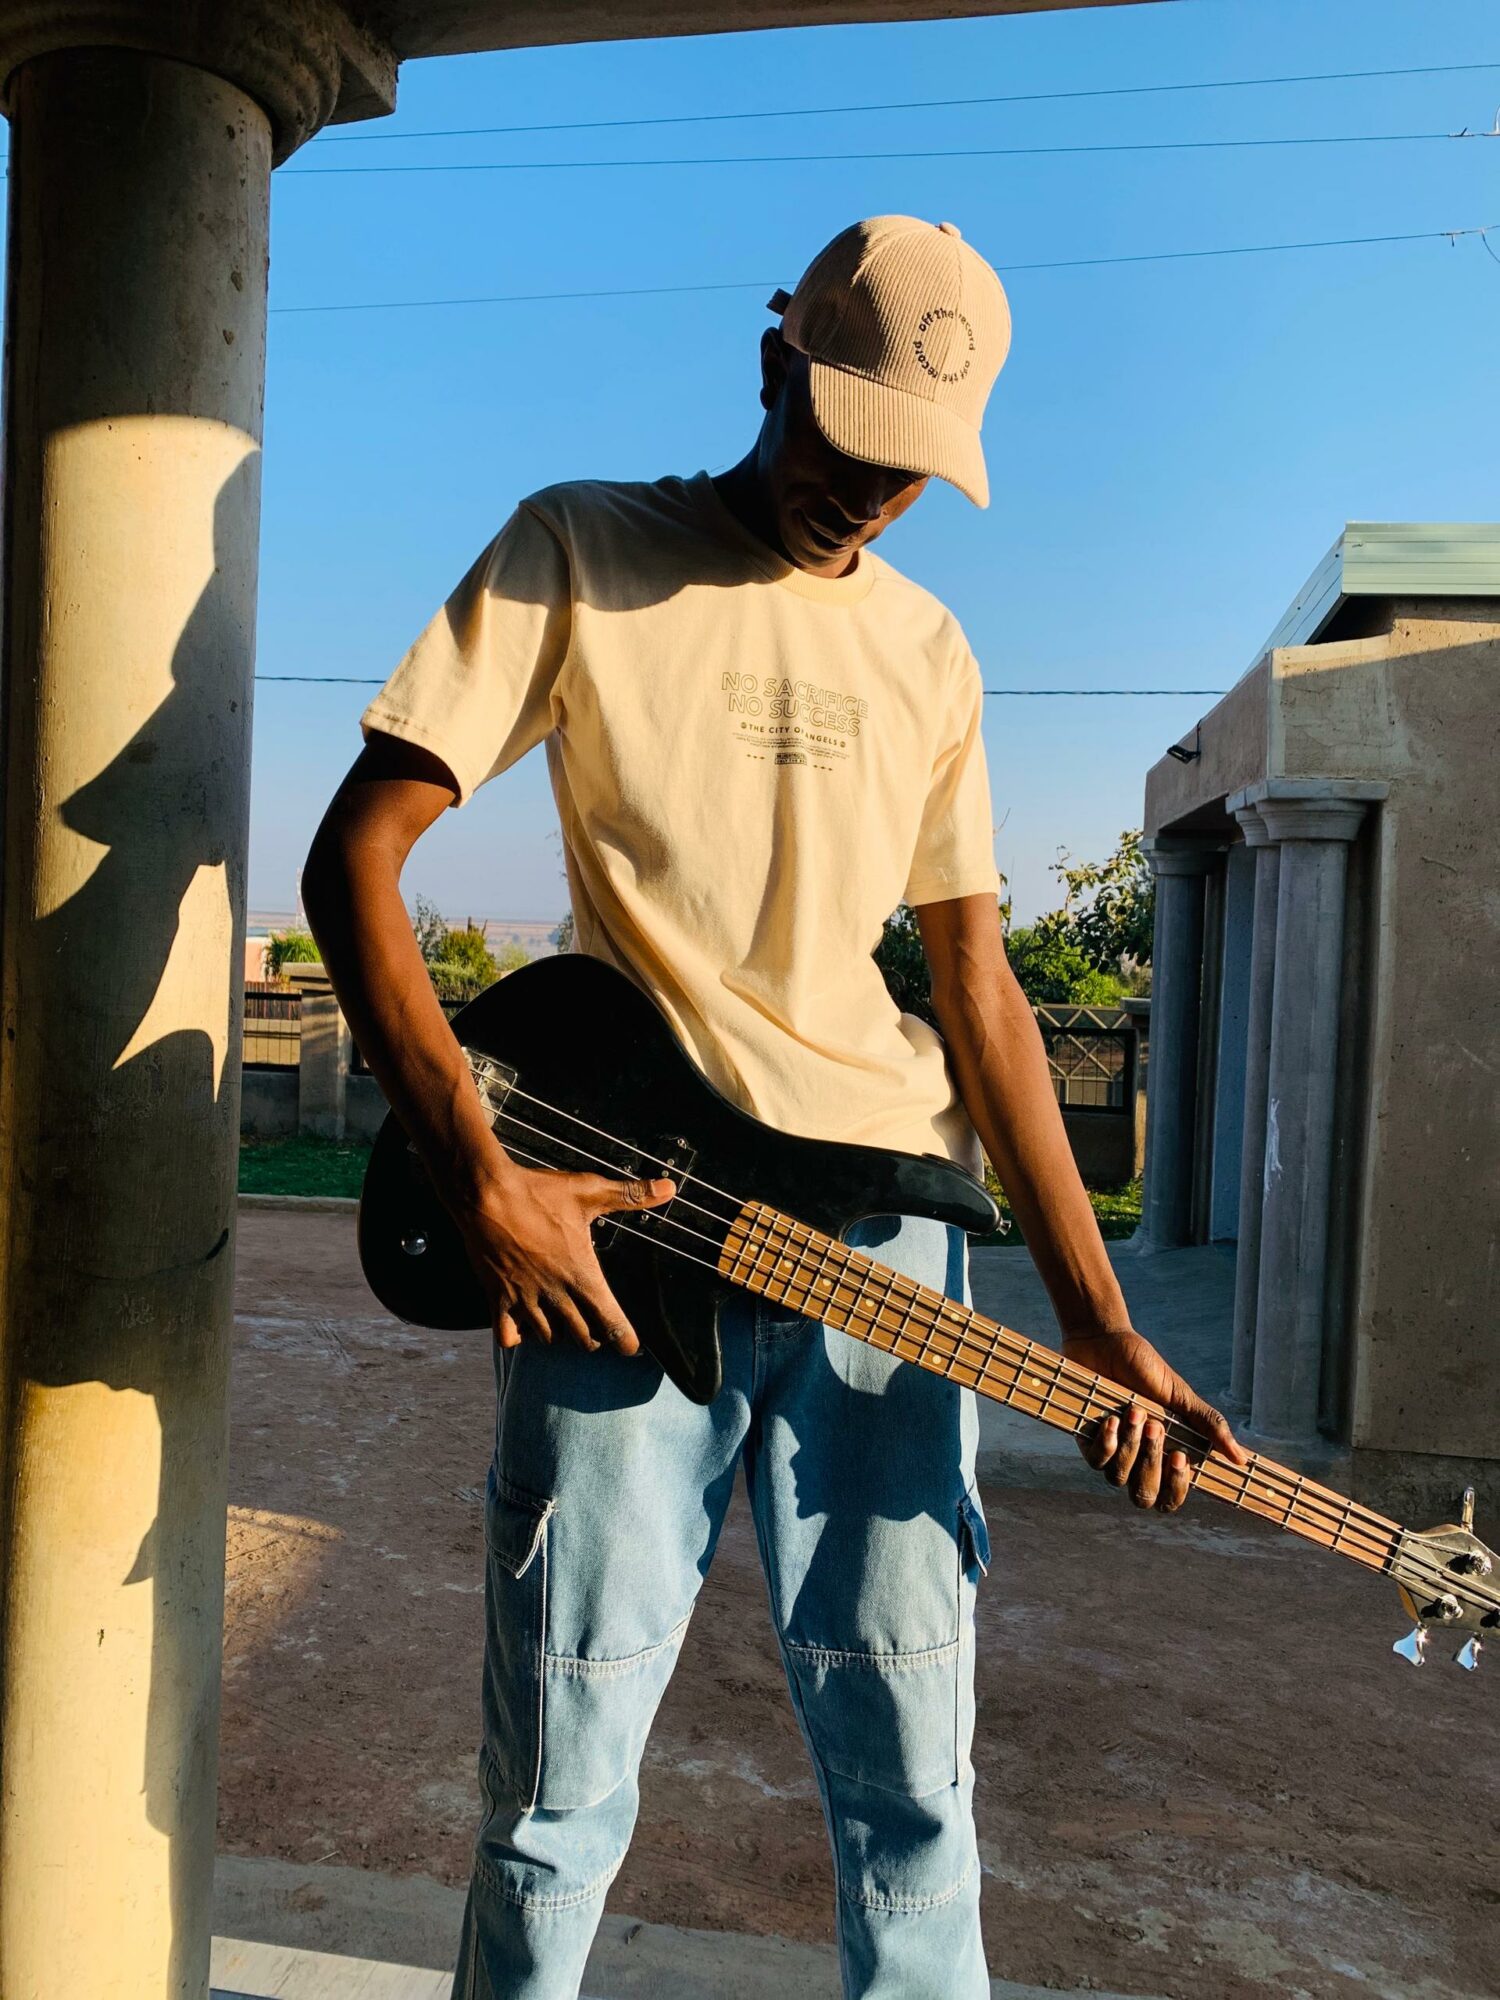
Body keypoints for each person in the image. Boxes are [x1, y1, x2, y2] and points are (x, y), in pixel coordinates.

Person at [303, 215, 1245, 2000]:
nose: (872, 499)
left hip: (885, 1243)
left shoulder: (934, 652)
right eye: (849, 445)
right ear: (771, 363)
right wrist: (473, 1159)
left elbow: (980, 998)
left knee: (914, 1795)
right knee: (556, 1794)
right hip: (619, 1235)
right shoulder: (579, 547)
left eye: (913, 475)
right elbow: (358, 850)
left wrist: (1103, 1324)